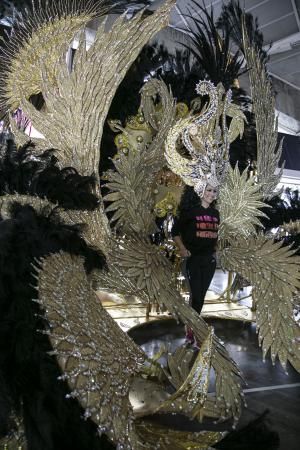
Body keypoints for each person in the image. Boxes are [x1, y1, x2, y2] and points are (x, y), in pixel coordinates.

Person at [172, 184, 219, 340]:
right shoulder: (189, 212)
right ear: (201, 191)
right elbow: (175, 233)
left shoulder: (216, 213)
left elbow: (214, 235)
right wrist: (182, 248)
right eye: (209, 190)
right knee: (196, 296)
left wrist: (216, 250)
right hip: (193, 260)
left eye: (214, 191)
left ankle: (193, 326)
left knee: (201, 296)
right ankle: (192, 327)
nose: (211, 194)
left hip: (209, 261)